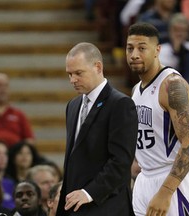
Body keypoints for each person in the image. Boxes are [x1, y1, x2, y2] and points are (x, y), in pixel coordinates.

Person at [126, 22, 189, 216]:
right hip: (145, 177)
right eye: (130, 48)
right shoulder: (136, 90)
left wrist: (166, 191)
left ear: (157, 50)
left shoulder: (172, 85)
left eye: (141, 48)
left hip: (175, 180)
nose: (134, 54)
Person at [56, 42, 138, 216]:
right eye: (69, 74)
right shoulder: (73, 105)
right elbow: (74, 160)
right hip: (76, 205)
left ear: (98, 67)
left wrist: (89, 193)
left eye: (78, 73)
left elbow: (121, 161)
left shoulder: (121, 104)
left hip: (108, 205)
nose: (72, 80)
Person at [0, 73, 35, 147]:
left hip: (13, 156)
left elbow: (29, 139)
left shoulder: (18, 114)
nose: (3, 89)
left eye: (6, 86)